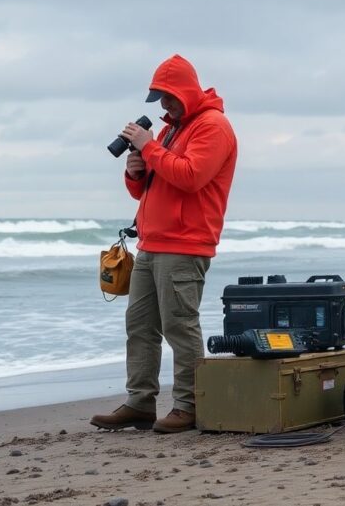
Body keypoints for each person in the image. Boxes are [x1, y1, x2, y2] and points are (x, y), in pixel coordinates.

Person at [91, 54, 237, 433]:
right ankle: (140, 403)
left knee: (179, 326)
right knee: (139, 326)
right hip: (151, 245)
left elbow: (191, 177)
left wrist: (150, 148)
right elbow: (151, 190)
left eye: (169, 98)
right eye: (160, 100)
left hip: (186, 245)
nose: (165, 106)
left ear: (186, 91)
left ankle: (189, 405)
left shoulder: (213, 126)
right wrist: (135, 173)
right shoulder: (172, 130)